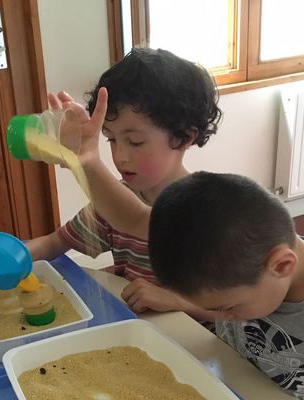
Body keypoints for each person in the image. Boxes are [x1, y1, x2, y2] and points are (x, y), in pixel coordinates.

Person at [58, 88, 304, 398]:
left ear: (282, 265)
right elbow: (135, 219)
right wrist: (86, 162)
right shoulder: (218, 233)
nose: (222, 317)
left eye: (229, 308)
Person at [26, 48, 221, 318]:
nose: (119, 157)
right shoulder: (116, 200)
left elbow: (244, 312)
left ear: (184, 138)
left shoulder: (213, 212)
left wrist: (178, 301)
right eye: (111, 139)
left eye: (135, 141)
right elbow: (53, 243)